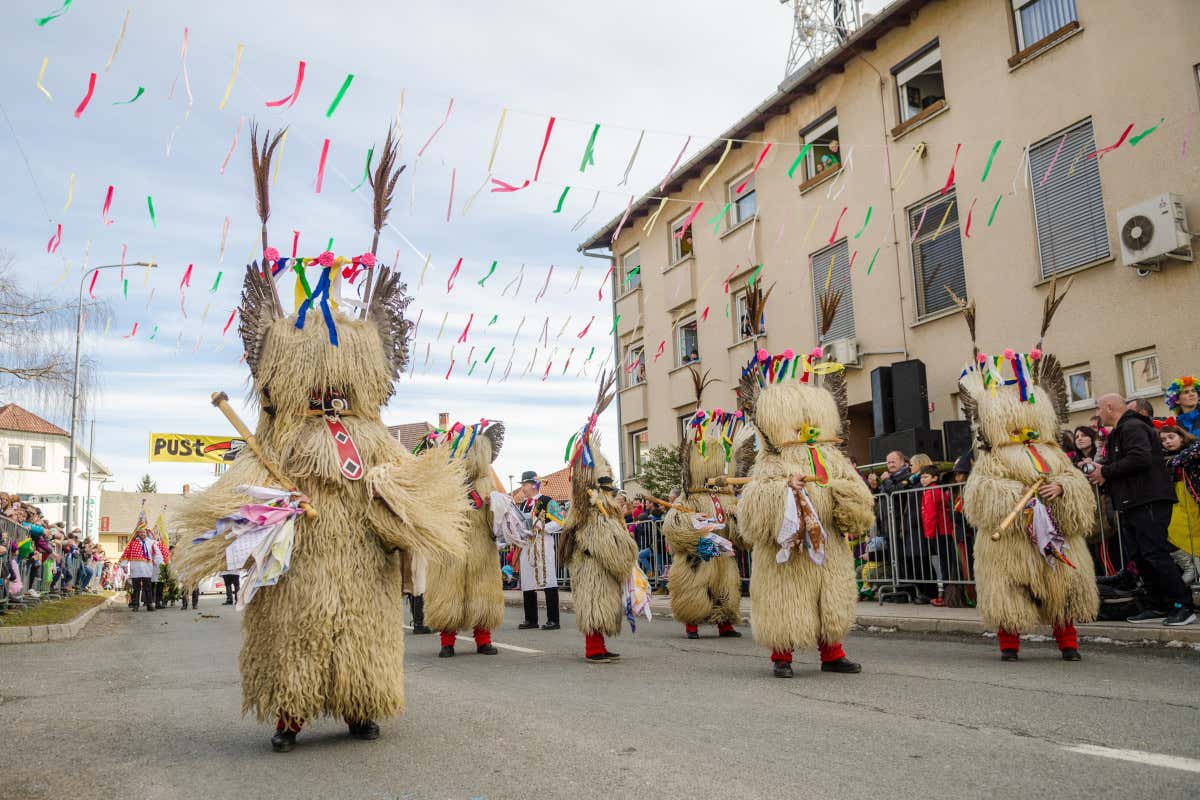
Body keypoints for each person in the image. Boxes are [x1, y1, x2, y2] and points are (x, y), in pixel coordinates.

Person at [171, 126, 470, 753]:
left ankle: (362, 704)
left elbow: (401, 478)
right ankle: (291, 712)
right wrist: (267, 506)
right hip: (298, 553)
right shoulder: (278, 433)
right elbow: (242, 486)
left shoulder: (372, 432)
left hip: (362, 552)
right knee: (295, 628)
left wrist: (396, 497)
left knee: (363, 626)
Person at [957, 284, 1098, 661]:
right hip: (1014, 538)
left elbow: (1076, 483)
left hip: (1055, 532)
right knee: (1009, 588)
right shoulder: (993, 454)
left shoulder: (1053, 452)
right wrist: (1016, 499)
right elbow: (981, 491)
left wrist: (1061, 490)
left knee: (1065, 585)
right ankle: (1009, 644)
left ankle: (1068, 642)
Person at [737, 346, 874, 677]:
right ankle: (781, 656)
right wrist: (785, 491)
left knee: (830, 598)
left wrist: (846, 495)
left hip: (830, 548)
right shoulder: (771, 461)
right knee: (787, 598)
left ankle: (833, 653)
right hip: (789, 552)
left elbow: (860, 507)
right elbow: (752, 513)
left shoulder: (832, 457)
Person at [1085, 394, 1195, 626]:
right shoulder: (1120, 431)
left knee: (1155, 553)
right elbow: (1125, 462)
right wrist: (1101, 467)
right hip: (1132, 501)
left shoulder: (1132, 426)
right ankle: (1158, 604)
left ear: (1109, 407)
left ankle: (1182, 604)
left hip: (1148, 499)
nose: (1097, 413)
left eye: (1098, 407)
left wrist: (1104, 472)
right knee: (1141, 555)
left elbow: (1140, 458)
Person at [559, 378, 639, 662]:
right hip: (590, 561)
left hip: (601, 563)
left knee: (603, 600)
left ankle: (600, 645)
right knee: (593, 600)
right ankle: (593, 648)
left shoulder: (601, 504)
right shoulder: (586, 508)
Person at [662, 401, 752, 640]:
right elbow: (673, 524)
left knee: (726, 585)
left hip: (722, 550)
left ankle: (725, 622)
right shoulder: (689, 496)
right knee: (694, 585)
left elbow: (738, 530)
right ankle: (692, 623)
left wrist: (736, 519)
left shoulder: (726, 496)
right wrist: (693, 522)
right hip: (700, 549)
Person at [418, 420, 506, 659]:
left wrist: (493, 507)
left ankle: (483, 639)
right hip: (452, 545)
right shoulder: (447, 482)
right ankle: (447, 642)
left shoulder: (486, 483)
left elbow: (499, 518)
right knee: (449, 591)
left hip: (480, 544)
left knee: (483, 591)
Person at [515, 470, 562, 631]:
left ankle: (553, 619)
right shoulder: (523, 504)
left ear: (534, 484)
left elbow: (559, 521)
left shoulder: (547, 501)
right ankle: (531, 619)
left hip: (543, 544)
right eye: (522, 485)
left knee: (548, 577)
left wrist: (542, 528)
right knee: (527, 579)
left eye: (525, 485)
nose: (523, 488)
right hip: (527, 545)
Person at [1157, 423, 1200, 585]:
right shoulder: (1161, 456)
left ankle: (1198, 566)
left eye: (1171, 437)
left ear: (1181, 437)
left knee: (1196, 531)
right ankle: (1189, 567)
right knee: (1171, 530)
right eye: (1163, 440)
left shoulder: (1193, 447)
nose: (1167, 442)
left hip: (1193, 497)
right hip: (1176, 498)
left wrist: (1172, 461)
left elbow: (1194, 452)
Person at [917, 466, 953, 607]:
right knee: (944, 563)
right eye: (922, 477)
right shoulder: (933, 490)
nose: (922, 479)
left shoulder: (932, 491)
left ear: (935, 478)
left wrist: (929, 534)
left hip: (939, 531)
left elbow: (930, 515)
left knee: (944, 564)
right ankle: (944, 595)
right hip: (941, 530)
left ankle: (944, 596)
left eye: (926, 477)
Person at [119, 525, 155, 612]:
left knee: (148, 588)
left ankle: (149, 604)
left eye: (144, 532)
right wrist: (124, 564)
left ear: (146, 533)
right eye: (141, 532)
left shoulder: (151, 542)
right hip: (136, 569)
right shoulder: (132, 543)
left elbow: (156, 553)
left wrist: (159, 562)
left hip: (147, 568)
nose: (143, 534)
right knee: (136, 588)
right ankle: (135, 605)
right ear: (138, 533)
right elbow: (126, 554)